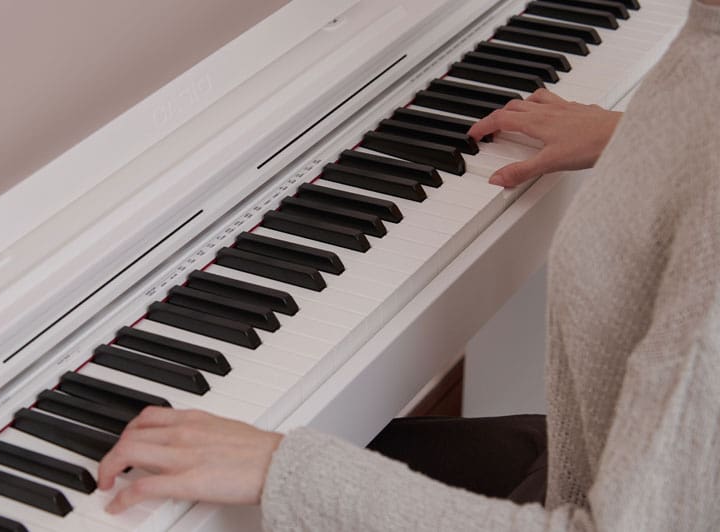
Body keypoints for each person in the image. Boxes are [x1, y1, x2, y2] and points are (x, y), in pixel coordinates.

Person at [96, 1, 720, 529]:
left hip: (593, 503)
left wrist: (277, 468)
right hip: (592, 467)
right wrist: (640, 135)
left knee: (208, 485)